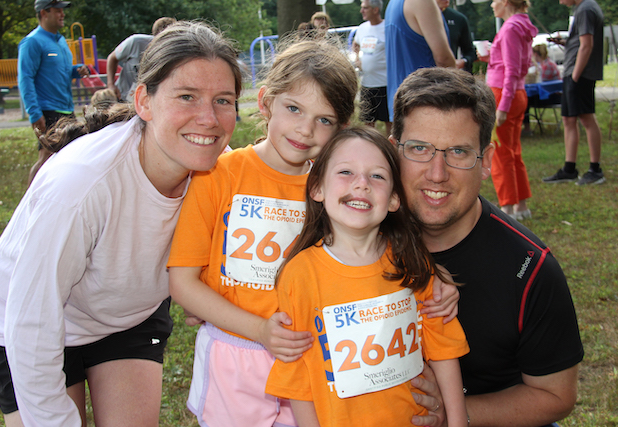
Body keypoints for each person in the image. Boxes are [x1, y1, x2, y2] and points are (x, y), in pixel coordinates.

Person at [0, 21, 243, 427]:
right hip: (35, 325)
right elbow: (30, 320)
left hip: (128, 317)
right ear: (144, 102)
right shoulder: (82, 186)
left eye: (223, 100)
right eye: (187, 96)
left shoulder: (221, 176)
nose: (208, 118)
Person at [167, 38, 357, 427]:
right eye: (293, 109)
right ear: (266, 102)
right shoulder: (216, 175)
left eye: (324, 120)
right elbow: (183, 283)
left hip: (308, 356)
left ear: (342, 128)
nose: (305, 129)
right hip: (232, 354)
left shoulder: (334, 192)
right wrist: (258, 329)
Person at [391, 67, 584, 427]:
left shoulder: (528, 268)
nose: (437, 173)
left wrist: (451, 414)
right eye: (419, 148)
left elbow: (556, 396)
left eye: (459, 152)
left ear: (487, 161)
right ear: (393, 151)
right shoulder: (358, 241)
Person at [265, 127, 470, 427]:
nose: (361, 184)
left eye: (377, 176)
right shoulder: (300, 274)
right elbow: (298, 376)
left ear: (394, 200)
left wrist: (457, 423)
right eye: (346, 172)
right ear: (317, 189)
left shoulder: (412, 261)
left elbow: (444, 349)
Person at [18, 0, 90, 186]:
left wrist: (76, 70)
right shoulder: (32, 42)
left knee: (70, 156)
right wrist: (35, 113)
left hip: (66, 109)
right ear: (44, 13)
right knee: (46, 157)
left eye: (62, 11)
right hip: (47, 110)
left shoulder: (60, 41)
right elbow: (25, 78)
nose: (62, 14)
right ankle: (30, 204)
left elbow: (61, 71)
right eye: (57, 11)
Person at [483, 0, 537, 220]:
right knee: (513, 152)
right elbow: (514, 65)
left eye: (494, 1)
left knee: (500, 152)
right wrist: (492, 58)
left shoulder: (510, 28)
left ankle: (507, 209)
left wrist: (502, 106)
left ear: (505, 2)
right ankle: (521, 206)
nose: (492, 5)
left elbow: (512, 70)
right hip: (516, 93)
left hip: (504, 94)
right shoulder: (521, 25)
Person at [542, 0, 605, 185]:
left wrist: (576, 76)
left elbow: (586, 45)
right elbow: (579, 42)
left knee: (586, 118)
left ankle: (596, 169)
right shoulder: (583, 8)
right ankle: (569, 168)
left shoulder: (586, 9)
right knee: (569, 119)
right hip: (573, 73)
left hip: (580, 74)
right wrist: (564, 41)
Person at [385, 0, 455, 121]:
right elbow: (443, 59)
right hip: (427, 101)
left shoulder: (393, 4)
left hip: (401, 100)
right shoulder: (422, 2)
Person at [106, 17, 176, 102]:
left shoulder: (172, 54)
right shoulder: (136, 42)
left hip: (146, 102)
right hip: (122, 96)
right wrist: (111, 85)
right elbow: (112, 58)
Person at [353, 0, 392, 134]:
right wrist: (357, 58)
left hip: (385, 84)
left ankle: (390, 151)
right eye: (362, 8)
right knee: (368, 122)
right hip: (367, 84)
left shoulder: (388, 27)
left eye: (365, 8)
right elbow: (355, 43)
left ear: (375, 10)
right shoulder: (362, 28)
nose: (361, 11)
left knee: (389, 121)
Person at [436, 0, 477, 73]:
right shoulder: (416, 16)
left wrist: (463, 62)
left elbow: (470, 51)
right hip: (418, 75)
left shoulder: (458, 18)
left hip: (447, 76)